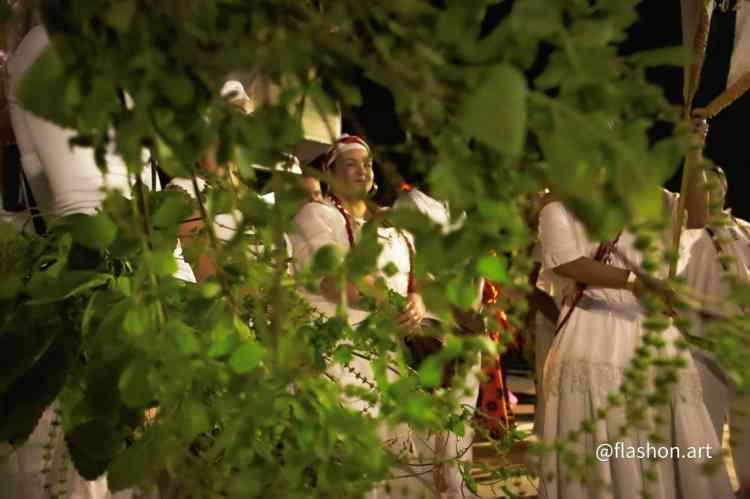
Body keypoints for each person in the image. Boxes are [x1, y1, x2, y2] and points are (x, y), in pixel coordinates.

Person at [537, 114, 735, 499]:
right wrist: (635, 281)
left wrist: (693, 152)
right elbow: (567, 261)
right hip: (592, 329)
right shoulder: (558, 203)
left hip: (650, 333)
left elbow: (697, 216)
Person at [289, 134, 439, 498]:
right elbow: (334, 282)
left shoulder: (391, 223)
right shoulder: (316, 215)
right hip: (338, 353)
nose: (362, 170)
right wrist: (392, 304)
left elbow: (417, 279)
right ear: (330, 173)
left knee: (395, 460)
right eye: (350, 164)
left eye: (367, 163)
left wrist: (416, 303)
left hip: (384, 354)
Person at [681, 165, 750, 498]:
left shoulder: (745, 230)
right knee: (704, 421)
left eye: (715, 184)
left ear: (726, 187)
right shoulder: (685, 233)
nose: (709, 190)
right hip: (700, 340)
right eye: (702, 185)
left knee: (745, 420)